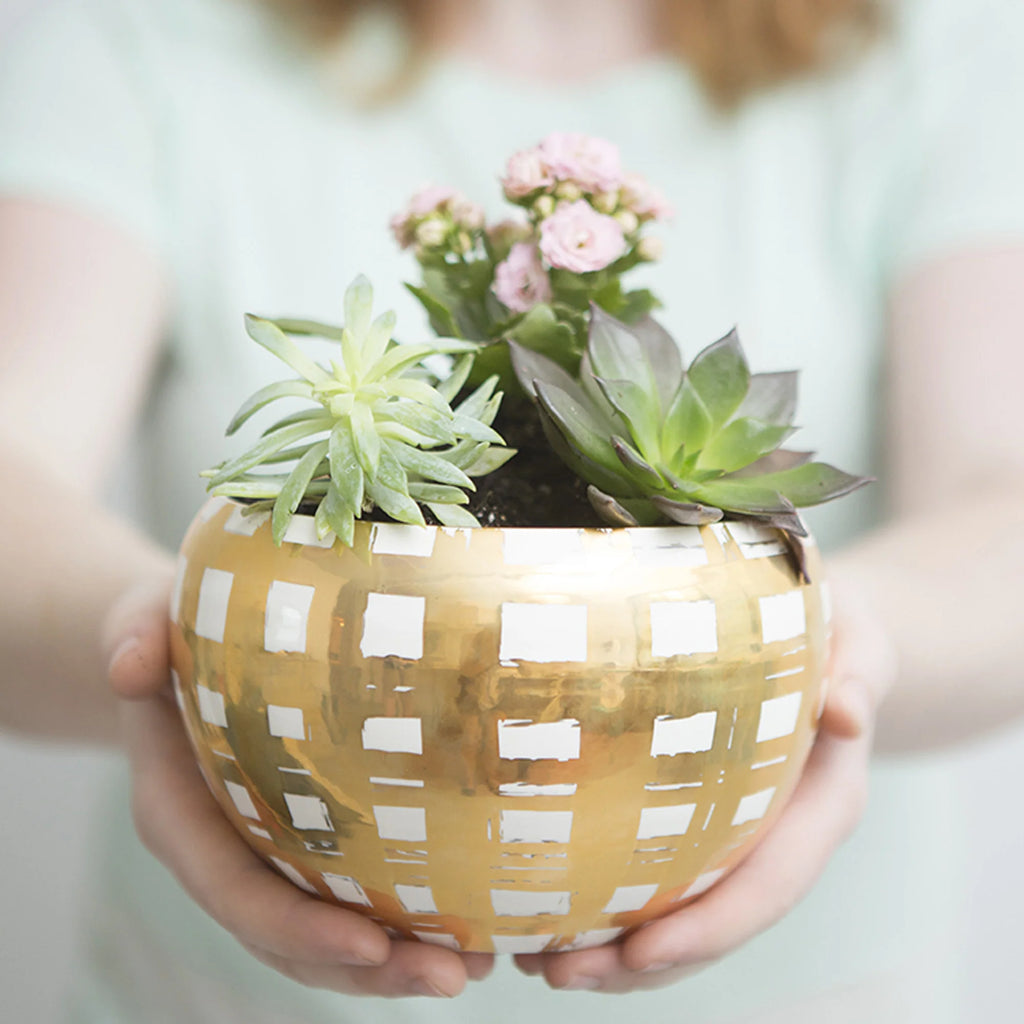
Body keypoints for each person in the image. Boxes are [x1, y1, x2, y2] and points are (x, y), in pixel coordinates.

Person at [1, 0, 1023, 1020]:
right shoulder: (138, 33)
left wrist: (830, 660)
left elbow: (1001, 495)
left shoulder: (928, 42)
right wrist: (171, 653)